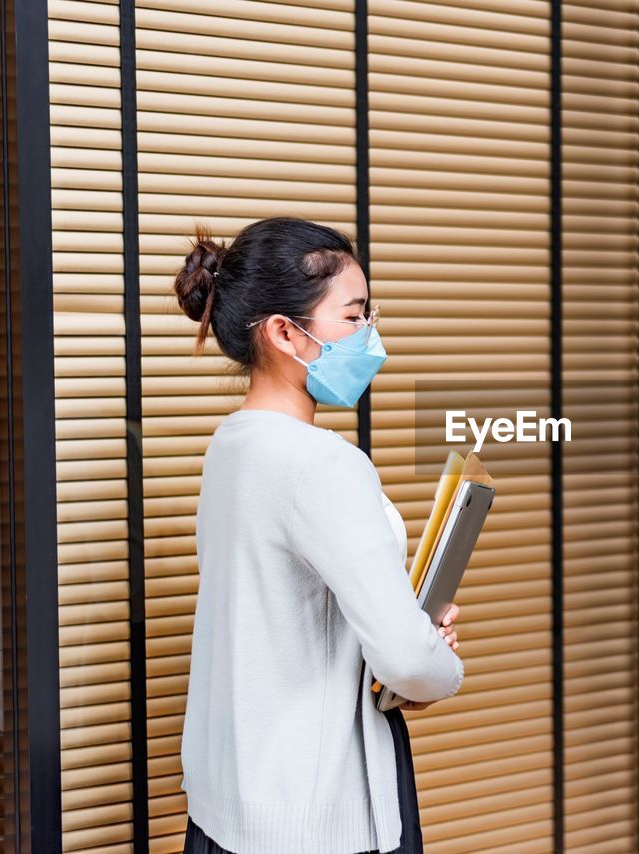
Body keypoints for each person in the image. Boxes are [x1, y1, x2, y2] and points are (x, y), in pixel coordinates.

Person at [172, 216, 465, 854]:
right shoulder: (323, 465)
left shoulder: (231, 448)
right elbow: (411, 661)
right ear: (284, 332)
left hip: (227, 810)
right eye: (354, 316)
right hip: (317, 823)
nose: (371, 334)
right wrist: (431, 663)